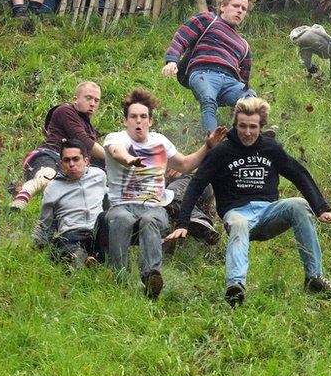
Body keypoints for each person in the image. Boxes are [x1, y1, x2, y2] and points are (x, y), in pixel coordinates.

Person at [167, 98, 331, 307]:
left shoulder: (271, 148)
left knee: (298, 204)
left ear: (261, 126)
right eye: (242, 126)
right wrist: (183, 223)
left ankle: (314, 277)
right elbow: (196, 184)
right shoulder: (222, 152)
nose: (247, 132)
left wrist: (321, 208)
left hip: (268, 212)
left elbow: (298, 173)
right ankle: (235, 287)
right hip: (236, 213)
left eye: (253, 127)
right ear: (235, 125)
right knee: (239, 223)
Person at [103, 88, 226, 298]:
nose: (138, 121)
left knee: (150, 220)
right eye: (133, 117)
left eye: (143, 117)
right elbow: (117, 152)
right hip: (121, 205)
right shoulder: (116, 138)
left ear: (150, 121)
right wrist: (129, 160)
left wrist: (207, 146)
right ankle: (119, 280)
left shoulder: (160, 141)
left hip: (154, 205)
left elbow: (185, 165)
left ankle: (151, 278)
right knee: (120, 219)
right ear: (126, 121)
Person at [162, 0, 259, 134]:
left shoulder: (244, 46)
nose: (240, 10)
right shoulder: (208, 20)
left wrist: (241, 103)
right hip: (203, 73)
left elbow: (244, 81)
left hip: (230, 81)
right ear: (222, 6)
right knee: (208, 100)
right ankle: (213, 143)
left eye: (244, 9)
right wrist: (172, 61)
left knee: (251, 100)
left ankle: (254, 137)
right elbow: (181, 38)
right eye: (236, 5)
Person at [11, 81, 104, 209]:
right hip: (49, 154)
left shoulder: (89, 128)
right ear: (76, 99)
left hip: (68, 164)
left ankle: (20, 185)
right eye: (89, 98)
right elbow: (84, 142)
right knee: (48, 174)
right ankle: (22, 197)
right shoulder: (65, 111)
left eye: (96, 100)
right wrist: (114, 156)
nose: (93, 103)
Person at [32, 140, 108, 269]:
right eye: (67, 160)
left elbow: (108, 199)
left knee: (106, 220)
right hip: (71, 233)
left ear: (86, 160)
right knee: (65, 246)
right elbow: (45, 223)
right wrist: (35, 246)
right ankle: (82, 262)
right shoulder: (53, 188)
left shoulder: (99, 176)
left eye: (76, 159)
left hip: (96, 232)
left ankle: (97, 262)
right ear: (61, 163)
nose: (71, 164)